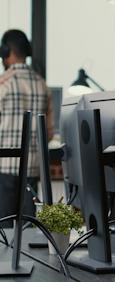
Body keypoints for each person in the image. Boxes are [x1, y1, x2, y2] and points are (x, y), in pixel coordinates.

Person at [0, 29, 52, 227]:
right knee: (29, 230)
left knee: (3, 234)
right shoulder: (42, 84)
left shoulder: (2, 83)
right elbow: (48, 131)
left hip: (4, 167)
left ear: (6, 52)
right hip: (32, 167)